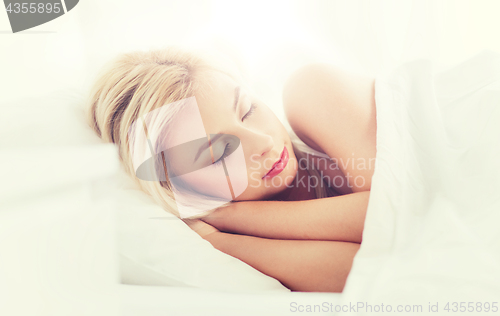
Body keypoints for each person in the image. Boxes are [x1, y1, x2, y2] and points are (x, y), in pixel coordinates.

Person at [85, 47, 377, 293]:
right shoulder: (244, 239)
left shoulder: (313, 91)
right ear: (181, 189)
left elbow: (394, 211)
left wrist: (230, 216)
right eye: (218, 154)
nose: (262, 141)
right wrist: (218, 242)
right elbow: (372, 271)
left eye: (248, 110)